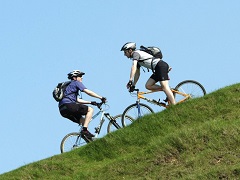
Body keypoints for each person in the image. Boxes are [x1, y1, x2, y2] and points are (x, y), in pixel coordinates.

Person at [58, 70, 107, 139]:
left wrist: (91, 102)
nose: (82, 78)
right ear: (75, 78)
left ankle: (86, 137)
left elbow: (77, 100)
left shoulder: (68, 86)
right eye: (80, 76)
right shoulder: (76, 83)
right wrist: (100, 97)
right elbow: (88, 92)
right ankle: (84, 131)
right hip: (69, 105)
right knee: (90, 110)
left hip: (62, 110)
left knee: (84, 121)